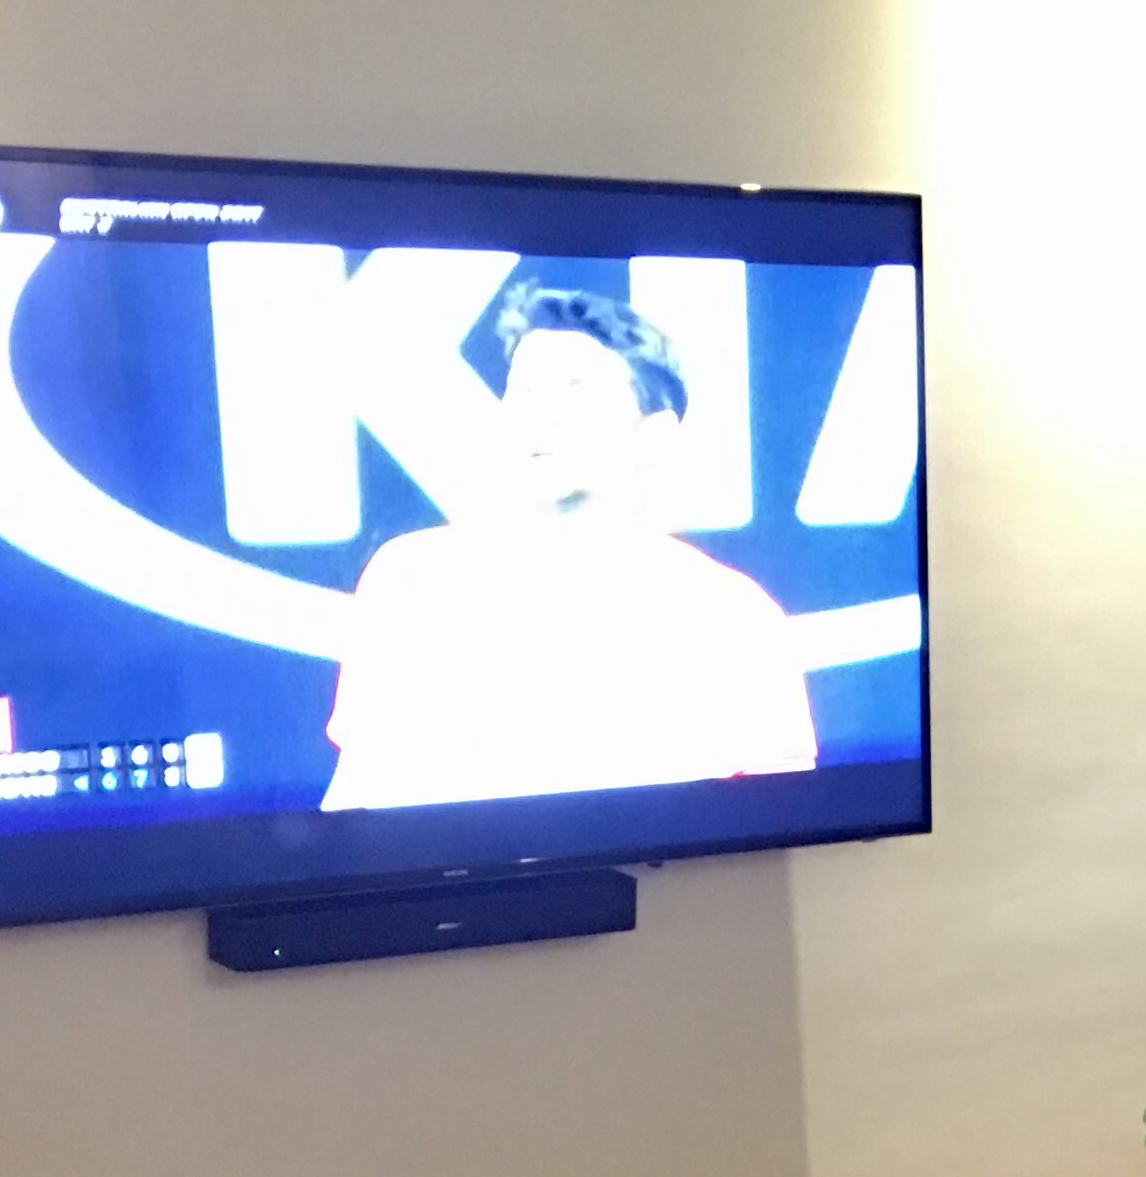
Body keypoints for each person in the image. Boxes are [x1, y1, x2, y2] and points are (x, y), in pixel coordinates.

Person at [321, 280, 816, 810]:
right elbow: (359, 799)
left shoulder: (735, 617)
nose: (541, 414)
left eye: (576, 390)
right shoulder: (412, 581)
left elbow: (778, 820)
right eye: (524, 392)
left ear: (654, 435)